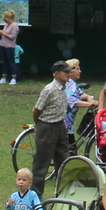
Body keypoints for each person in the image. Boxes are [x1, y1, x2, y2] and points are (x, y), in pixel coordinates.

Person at [30, 63, 72, 195]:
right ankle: (36, 194)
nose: (68, 74)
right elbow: (37, 110)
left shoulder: (63, 88)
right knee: (42, 162)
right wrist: (40, 125)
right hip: (47, 127)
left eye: (69, 72)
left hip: (60, 126)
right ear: (57, 73)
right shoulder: (49, 89)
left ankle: (63, 191)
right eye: (65, 72)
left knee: (64, 160)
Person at [0, 9, 21, 85]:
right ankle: (4, 77)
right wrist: (1, 33)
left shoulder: (14, 26)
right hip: (3, 45)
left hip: (10, 46)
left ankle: (14, 78)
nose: (5, 20)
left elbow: (12, 37)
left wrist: (4, 33)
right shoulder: (6, 25)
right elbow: (4, 33)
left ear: (10, 18)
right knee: (4, 62)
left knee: (12, 63)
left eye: (6, 19)